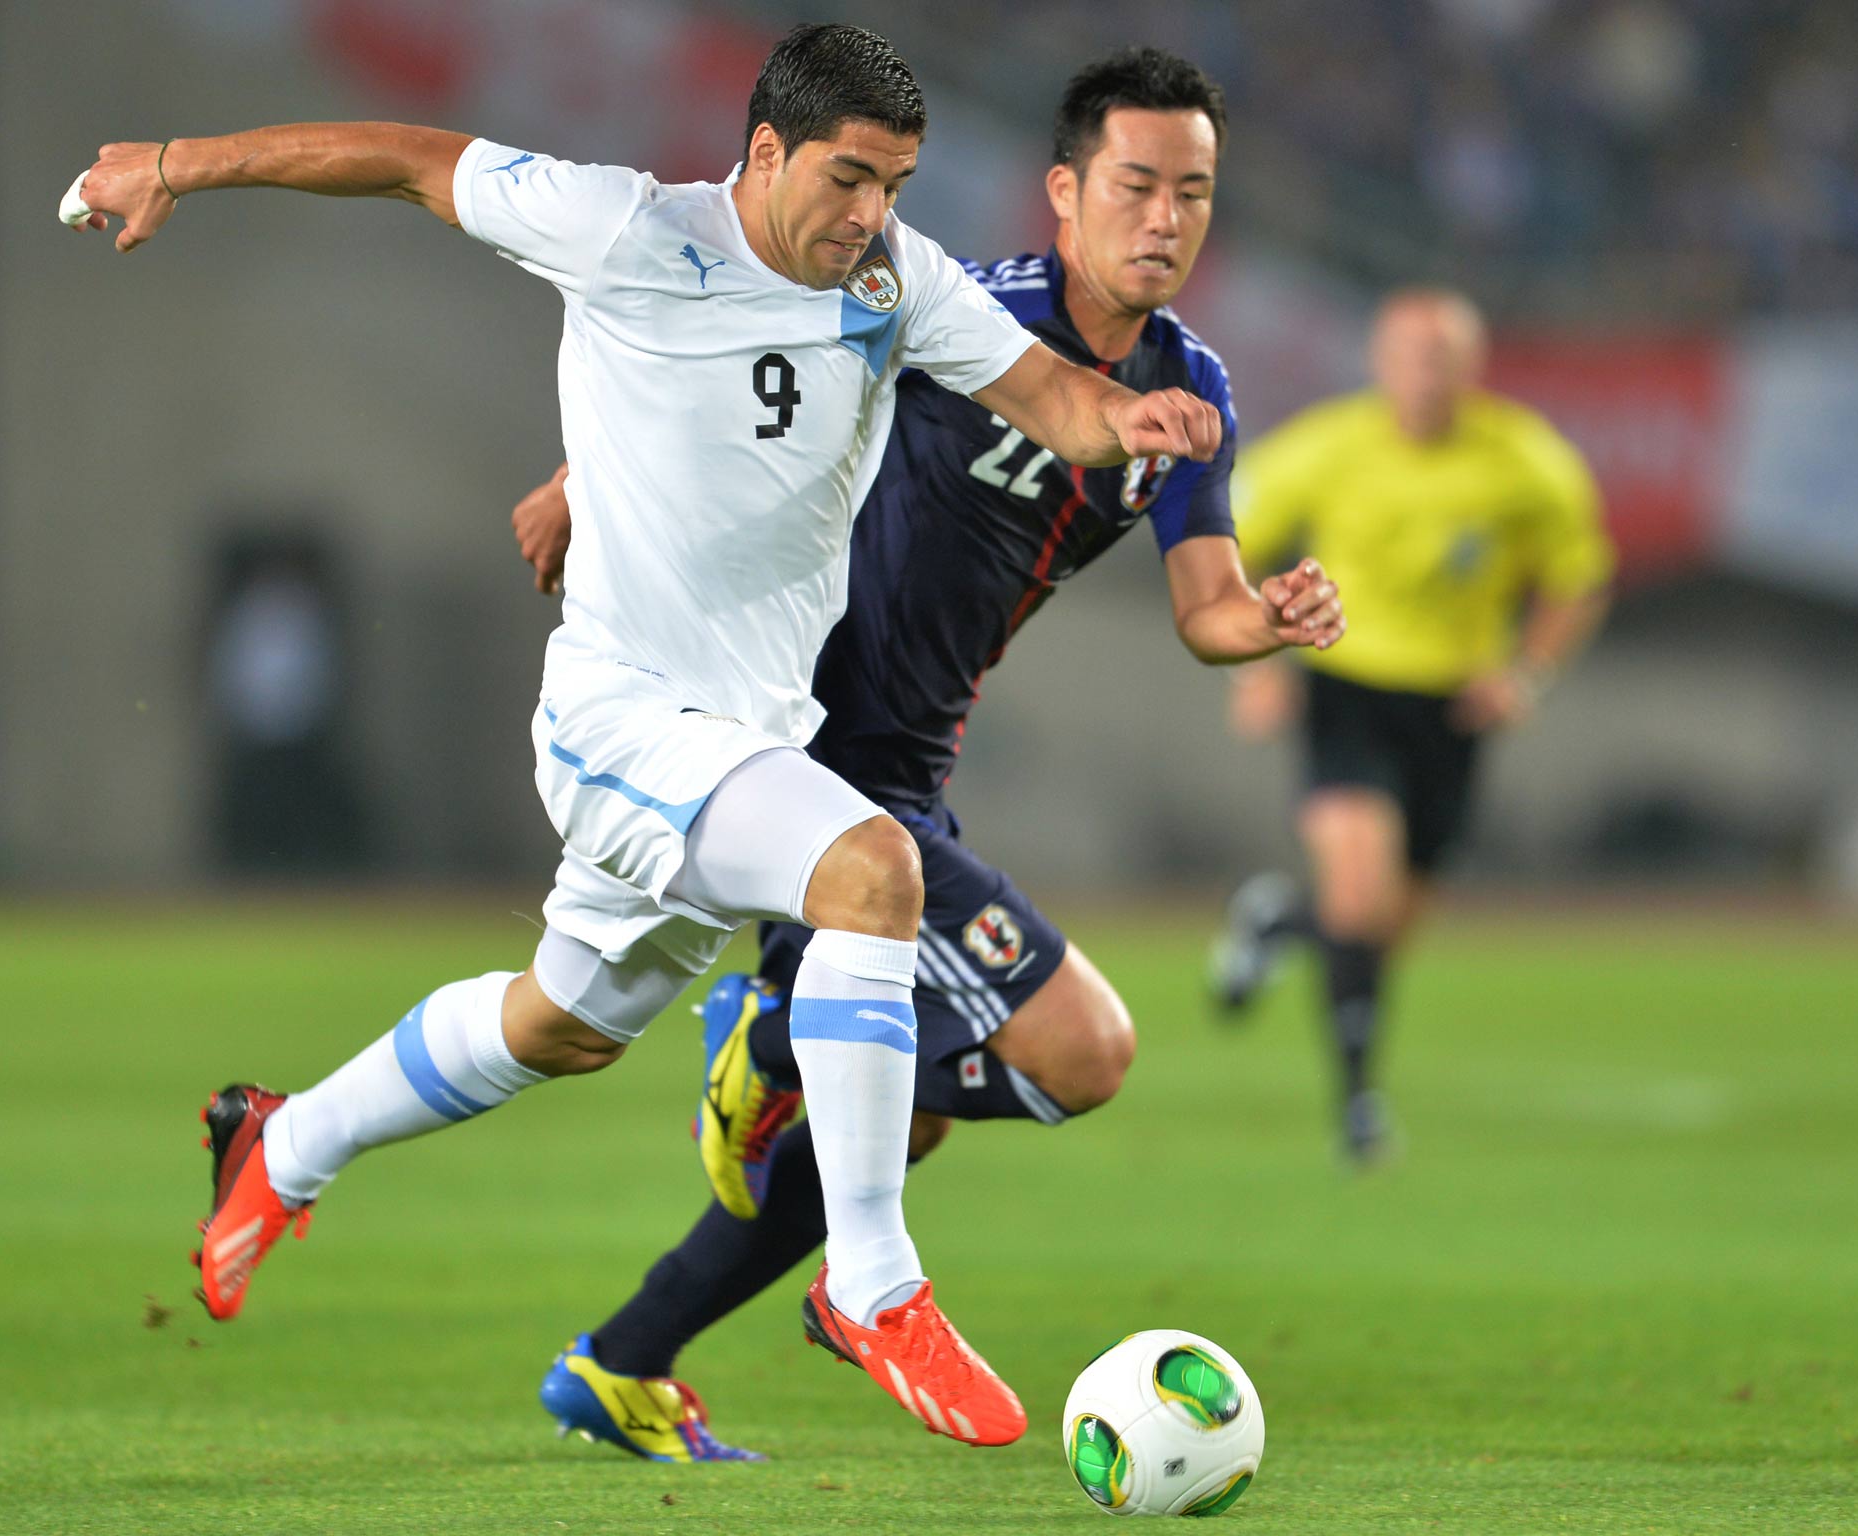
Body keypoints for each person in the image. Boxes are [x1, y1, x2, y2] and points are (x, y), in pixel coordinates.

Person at [69, 23, 1227, 1448]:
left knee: (558, 1027)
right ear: (763, 153)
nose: (871, 215)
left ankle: (282, 1141)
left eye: (897, 184)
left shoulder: (891, 276)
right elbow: (404, 161)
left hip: (748, 742)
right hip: (620, 719)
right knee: (874, 871)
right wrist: (176, 165)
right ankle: (870, 1282)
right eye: (850, 178)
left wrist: (1137, 417)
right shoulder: (625, 226)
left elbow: (1052, 397)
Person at [506, 48, 1345, 1462]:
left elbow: (1206, 610)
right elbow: (744, 387)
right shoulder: (956, 314)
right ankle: (770, 1055)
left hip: (907, 768)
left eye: (1194, 193)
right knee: (1082, 1053)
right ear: (1066, 193)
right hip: (786, 744)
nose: (1166, 218)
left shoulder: (1189, 395)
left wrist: (1267, 620)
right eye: (1137, 185)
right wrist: (590, 478)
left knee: (889, 1128)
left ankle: (621, 1359)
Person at [1210, 289, 1614, 1163]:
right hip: (1344, 688)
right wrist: (1259, 654)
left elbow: (1579, 575)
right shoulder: (1329, 445)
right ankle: (1358, 1105)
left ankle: (1281, 928)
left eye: (1445, 357)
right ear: (1380, 363)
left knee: (1385, 923)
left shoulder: (1525, 459)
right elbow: (1225, 533)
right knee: (1359, 891)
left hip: (1451, 709)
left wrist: (1527, 674)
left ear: (1475, 366)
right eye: (1410, 355)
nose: (1426, 375)